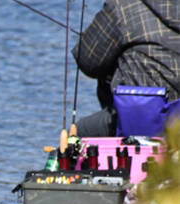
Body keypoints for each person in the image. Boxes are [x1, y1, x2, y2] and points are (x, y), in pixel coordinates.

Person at [72, 0, 180, 137]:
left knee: (78, 132)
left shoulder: (123, 6)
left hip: (140, 120)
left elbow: (88, 62)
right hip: (175, 118)